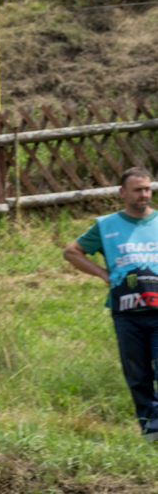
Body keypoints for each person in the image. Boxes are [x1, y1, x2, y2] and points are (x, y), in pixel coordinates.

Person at [64, 168, 158, 441]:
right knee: (137, 374)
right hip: (126, 314)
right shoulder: (106, 226)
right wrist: (104, 275)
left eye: (147, 189)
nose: (144, 194)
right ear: (122, 192)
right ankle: (151, 433)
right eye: (138, 190)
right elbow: (72, 252)